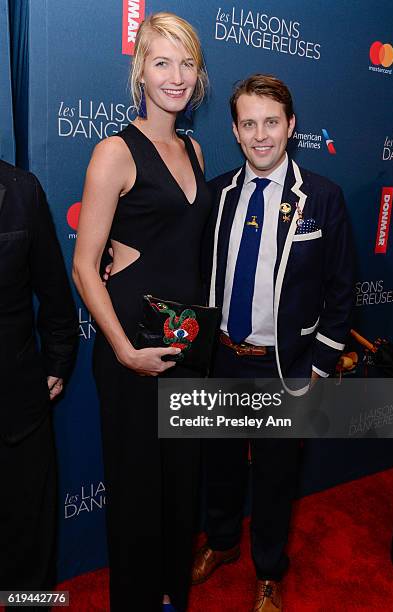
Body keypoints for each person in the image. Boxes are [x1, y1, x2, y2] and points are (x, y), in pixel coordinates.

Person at [192, 75, 355, 611]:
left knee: (276, 481)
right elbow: (192, 272)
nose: (260, 135)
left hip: (284, 368)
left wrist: (323, 368)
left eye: (270, 122)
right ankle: (220, 542)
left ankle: (268, 570)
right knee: (218, 467)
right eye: (248, 124)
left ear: (290, 126)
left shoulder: (324, 199)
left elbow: (340, 288)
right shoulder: (217, 195)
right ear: (236, 132)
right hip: (221, 361)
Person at [72, 12, 211, 612]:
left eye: (186, 63)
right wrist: (124, 351)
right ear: (141, 72)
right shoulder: (114, 151)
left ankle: (170, 596)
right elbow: (84, 265)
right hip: (134, 348)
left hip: (189, 345)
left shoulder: (196, 147)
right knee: (135, 493)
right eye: (162, 62)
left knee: (181, 488)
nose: (175, 76)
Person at [0, 160, 78, 608]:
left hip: (16, 401)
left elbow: (54, 293)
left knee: (29, 551)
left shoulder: (21, 189)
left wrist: (57, 363)